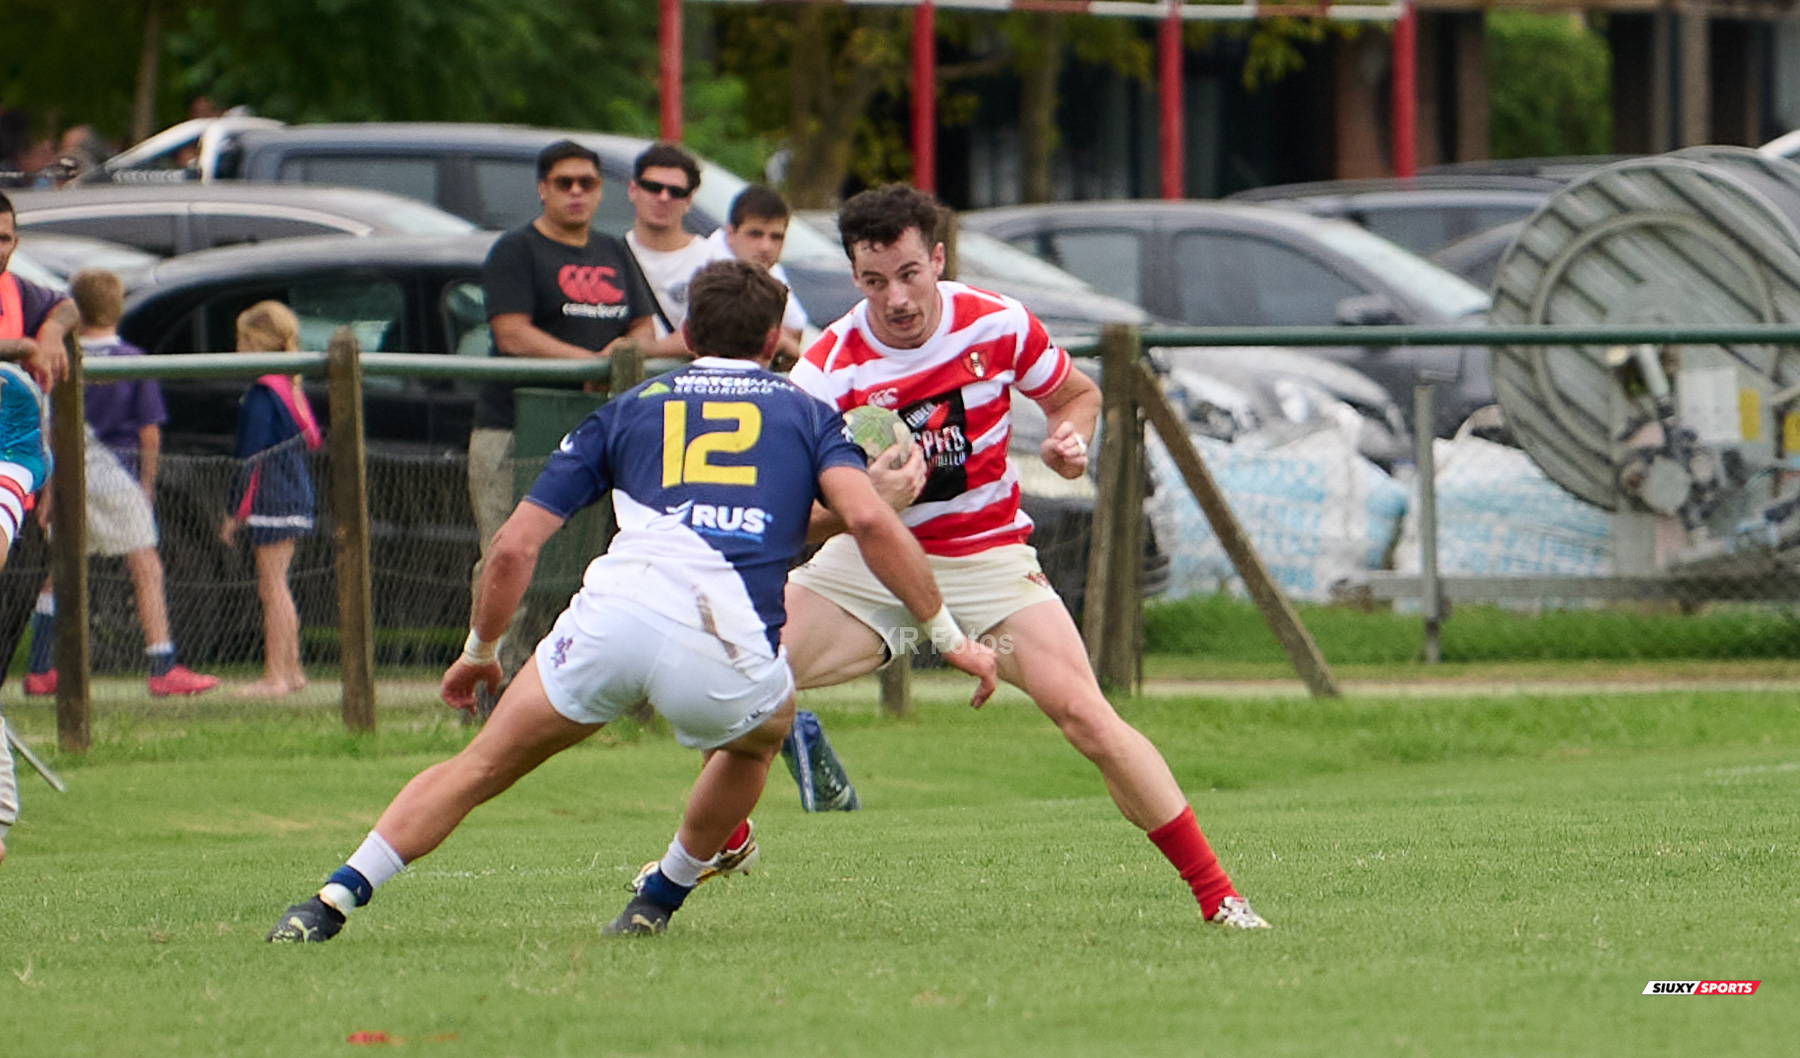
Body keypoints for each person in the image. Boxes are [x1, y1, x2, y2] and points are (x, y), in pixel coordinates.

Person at [266, 260, 997, 943]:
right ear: (774, 340)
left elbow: (514, 549)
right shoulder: (805, 413)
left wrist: (479, 654)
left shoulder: (626, 409)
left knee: (481, 766)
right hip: (723, 642)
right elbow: (866, 520)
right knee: (763, 730)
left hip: (612, 617)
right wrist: (946, 631)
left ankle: (332, 898)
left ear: (687, 334)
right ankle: (660, 897)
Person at [635, 184, 1272, 930]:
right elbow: (786, 515)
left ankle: (1219, 895)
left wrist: (1072, 440)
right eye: (875, 282)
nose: (897, 298)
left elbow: (1076, 394)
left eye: (910, 274)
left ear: (936, 258)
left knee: (1086, 716)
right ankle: (717, 841)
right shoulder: (827, 369)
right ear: (853, 277)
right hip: (869, 562)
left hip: (988, 557)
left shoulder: (995, 322)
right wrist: (864, 502)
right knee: (740, 683)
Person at [471, 139, 657, 680]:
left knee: (579, 567)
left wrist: (611, 362)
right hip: (516, 428)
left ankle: (552, 683)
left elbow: (642, 329)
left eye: (587, 183)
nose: (576, 193)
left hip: (598, 432)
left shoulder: (613, 250)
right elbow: (511, 333)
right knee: (508, 554)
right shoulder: (516, 251)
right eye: (564, 183)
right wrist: (594, 363)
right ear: (542, 188)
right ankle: (486, 681)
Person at [22, 269, 219, 698]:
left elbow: (50, 426)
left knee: (58, 569)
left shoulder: (65, 359)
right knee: (145, 565)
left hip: (69, 471)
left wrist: (49, 486)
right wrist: (146, 485)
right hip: (115, 473)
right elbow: (149, 431)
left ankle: (40, 665)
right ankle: (161, 661)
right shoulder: (131, 359)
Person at [0, 189, 71, 866]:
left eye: (7, 235)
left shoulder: (24, 290)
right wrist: (22, 343)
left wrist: (48, 331)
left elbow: (68, 302)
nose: (2, 248)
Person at [219, 301, 320, 698]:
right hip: (294, 493)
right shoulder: (290, 386)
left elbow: (252, 456)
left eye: (242, 339)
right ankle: (291, 671)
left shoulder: (264, 393)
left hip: (272, 498)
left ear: (256, 341)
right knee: (280, 585)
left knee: (272, 587)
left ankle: (275, 676)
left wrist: (233, 511)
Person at [705, 185, 809, 371]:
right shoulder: (705, 265)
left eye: (776, 237)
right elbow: (715, 340)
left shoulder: (769, 269)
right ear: (730, 233)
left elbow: (796, 329)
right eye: (755, 234)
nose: (765, 246)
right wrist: (778, 341)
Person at [624, 142, 712, 359]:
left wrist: (644, 351)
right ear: (633, 190)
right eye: (653, 187)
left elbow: (714, 334)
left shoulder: (712, 261)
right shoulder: (609, 255)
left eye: (676, 191)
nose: (663, 197)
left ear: (688, 200)